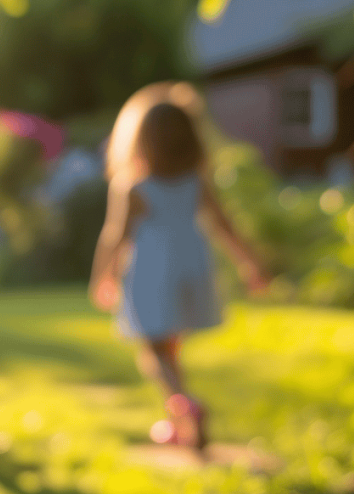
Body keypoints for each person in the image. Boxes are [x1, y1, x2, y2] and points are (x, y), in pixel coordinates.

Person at [89, 85, 267, 449]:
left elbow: (115, 237)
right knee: (170, 348)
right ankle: (179, 422)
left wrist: (102, 276)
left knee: (153, 351)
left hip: (152, 272)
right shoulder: (195, 182)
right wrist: (251, 263)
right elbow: (224, 226)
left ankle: (186, 405)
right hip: (192, 267)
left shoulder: (134, 187)